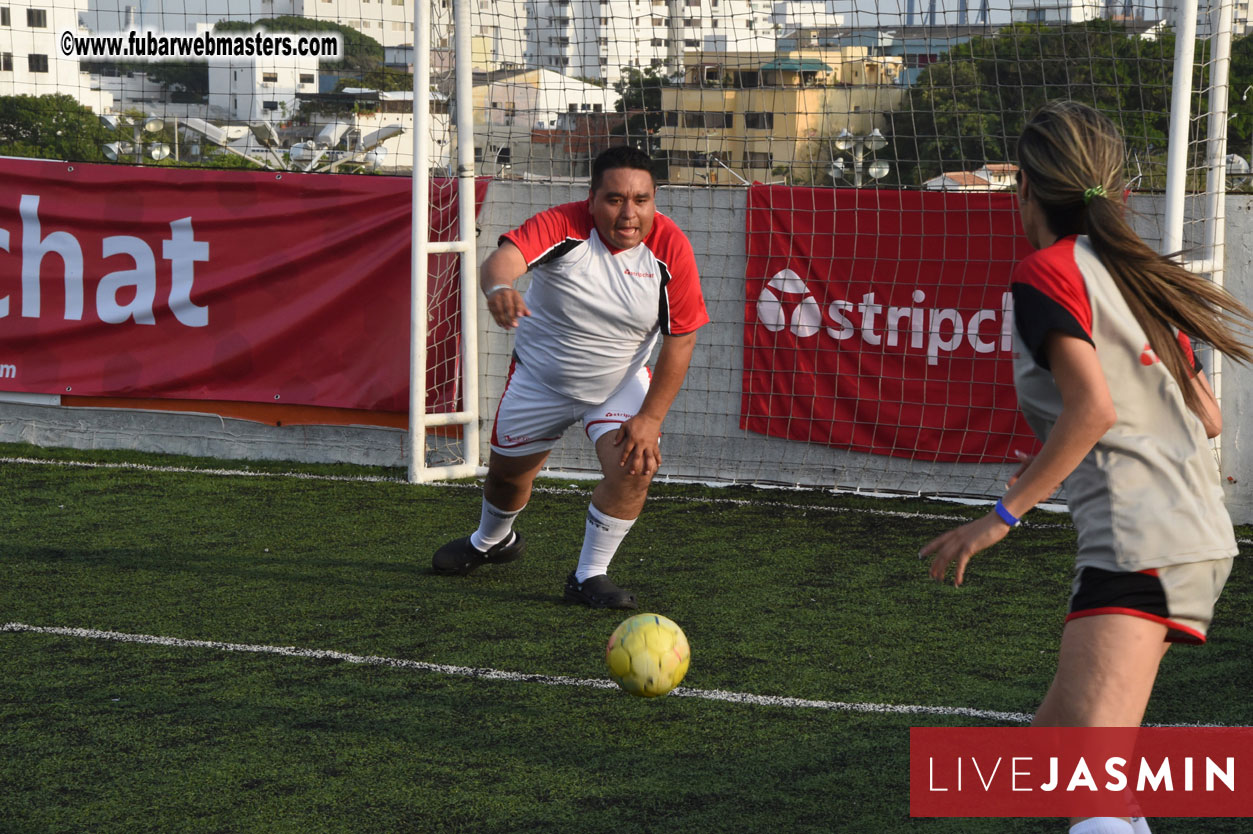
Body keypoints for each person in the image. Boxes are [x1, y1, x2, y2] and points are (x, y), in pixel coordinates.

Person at [921, 101, 1251, 834]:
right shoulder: (1132, 274)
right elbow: (1207, 417)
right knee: (1048, 763)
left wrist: (1001, 518)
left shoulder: (1046, 273)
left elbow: (1092, 409)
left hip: (1139, 541)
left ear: (1023, 191)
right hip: (1193, 539)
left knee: (1086, 787)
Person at [432, 145, 709, 609]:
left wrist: (650, 418)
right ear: (592, 198)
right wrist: (500, 288)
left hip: (617, 385)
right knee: (506, 480)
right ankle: (491, 540)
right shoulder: (563, 224)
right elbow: (501, 261)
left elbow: (681, 338)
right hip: (539, 381)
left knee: (635, 467)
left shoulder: (670, 248)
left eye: (641, 200)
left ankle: (588, 576)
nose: (629, 213)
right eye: (615, 199)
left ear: (654, 200)